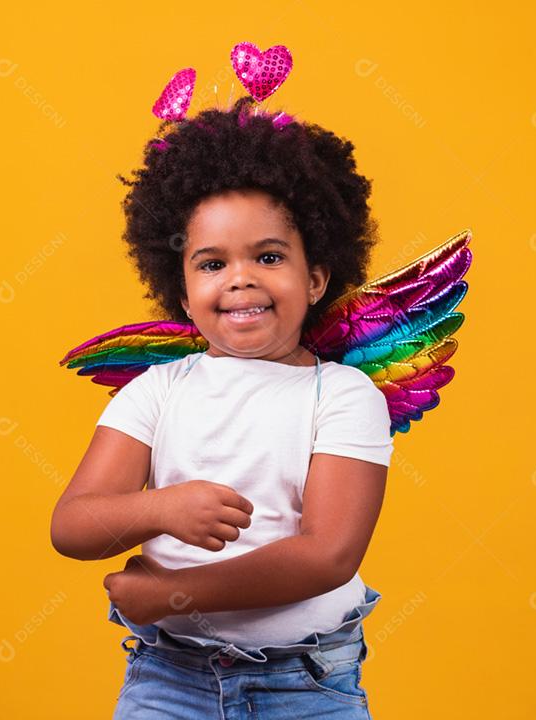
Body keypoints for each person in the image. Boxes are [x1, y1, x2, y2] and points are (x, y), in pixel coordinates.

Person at [51, 91, 392, 718]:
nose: (240, 278)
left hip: (306, 683)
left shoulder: (341, 396)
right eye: (212, 263)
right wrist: (161, 508)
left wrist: (172, 595)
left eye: (268, 256)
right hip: (168, 678)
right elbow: (72, 527)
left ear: (316, 277)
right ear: (180, 290)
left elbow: (328, 555)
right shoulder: (157, 392)